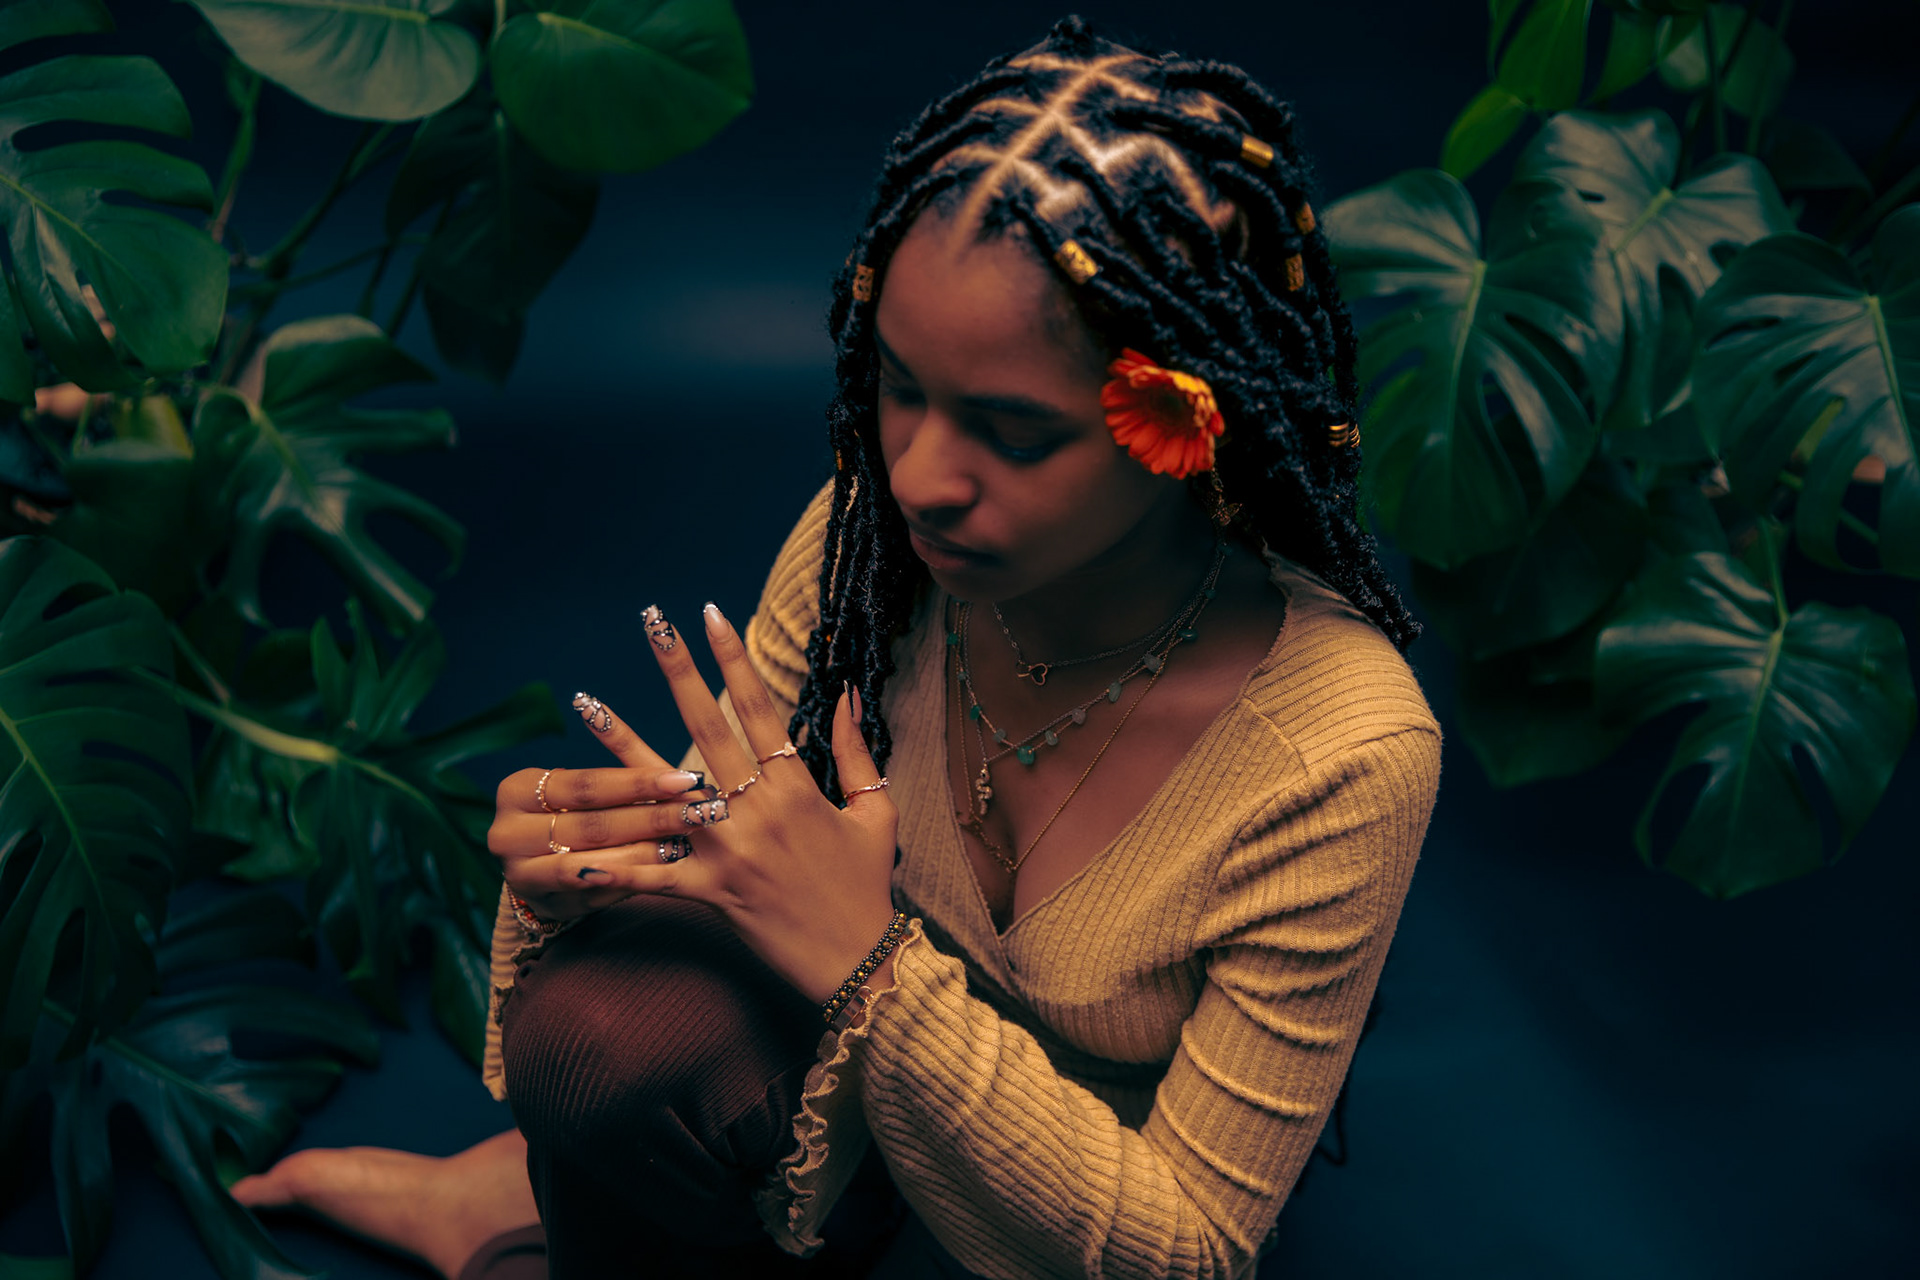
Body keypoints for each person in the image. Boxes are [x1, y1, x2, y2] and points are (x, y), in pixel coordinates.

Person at [230, 16, 1443, 1279]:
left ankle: (529, 1227)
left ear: (1191, 421)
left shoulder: (1340, 749)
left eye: (1013, 432)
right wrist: (613, 859)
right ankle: (538, 1202)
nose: (918, 476)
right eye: (901, 385)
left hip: (1084, 1220)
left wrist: (873, 966)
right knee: (598, 1035)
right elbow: (736, 857)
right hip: (849, 1126)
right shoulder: (873, 549)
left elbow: (1189, 1248)